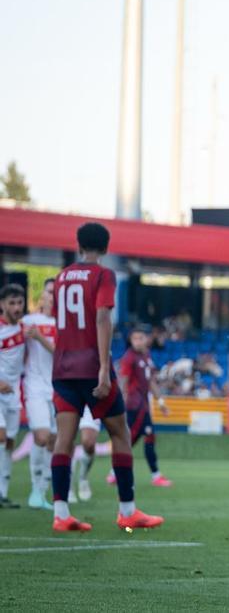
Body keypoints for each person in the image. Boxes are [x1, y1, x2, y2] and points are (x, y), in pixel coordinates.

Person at [49, 222, 163, 532]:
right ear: (106, 247)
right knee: (120, 434)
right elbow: (101, 317)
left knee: (64, 439)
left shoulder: (61, 278)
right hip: (89, 366)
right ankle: (127, 510)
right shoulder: (103, 275)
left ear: (78, 244)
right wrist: (102, 367)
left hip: (62, 368)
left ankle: (61, 513)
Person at [117, 328, 172, 487]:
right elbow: (124, 382)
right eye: (135, 339)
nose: (139, 341)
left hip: (143, 405)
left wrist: (160, 402)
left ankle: (117, 473)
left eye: (141, 338)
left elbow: (151, 382)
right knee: (131, 440)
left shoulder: (146, 356)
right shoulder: (129, 358)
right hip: (133, 406)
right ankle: (152, 476)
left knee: (140, 438)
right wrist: (121, 405)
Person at [23, 278, 58, 509]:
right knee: (42, 436)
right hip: (34, 386)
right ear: (42, 296)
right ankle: (35, 490)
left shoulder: (64, 324)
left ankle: (43, 492)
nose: (52, 296)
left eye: (56, 293)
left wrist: (39, 337)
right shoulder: (28, 321)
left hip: (57, 387)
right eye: (49, 292)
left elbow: (60, 353)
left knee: (53, 441)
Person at [0, 284, 27, 508]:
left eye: (19, 303)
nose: (17, 307)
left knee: (9, 441)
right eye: (12, 303)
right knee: (0, 438)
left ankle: (3, 491)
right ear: (2, 305)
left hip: (14, 393)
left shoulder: (25, 329)